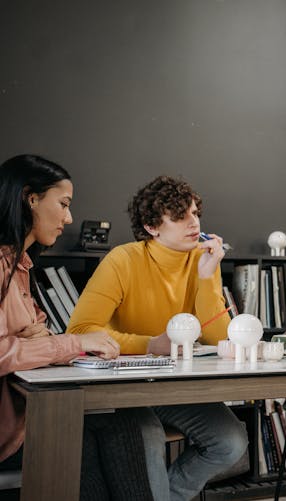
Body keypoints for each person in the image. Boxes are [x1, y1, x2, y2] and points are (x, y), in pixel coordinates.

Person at [68, 175, 248, 500]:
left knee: (231, 440)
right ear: (152, 227)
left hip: (172, 385)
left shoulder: (202, 259)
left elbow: (219, 340)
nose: (193, 223)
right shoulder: (123, 260)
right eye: (180, 216)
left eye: (195, 213)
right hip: (125, 386)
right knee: (147, 437)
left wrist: (207, 277)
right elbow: (80, 332)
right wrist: (149, 345)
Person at [0, 154, 154, 500]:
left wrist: (33, 343)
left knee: (121, 422)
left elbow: (30, 338)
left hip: (27, 413)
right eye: (64, 204)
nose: (68, 219)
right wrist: (71, 343)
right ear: (31, 198)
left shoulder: (21, 268)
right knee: (84, 439)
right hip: (12, 427)